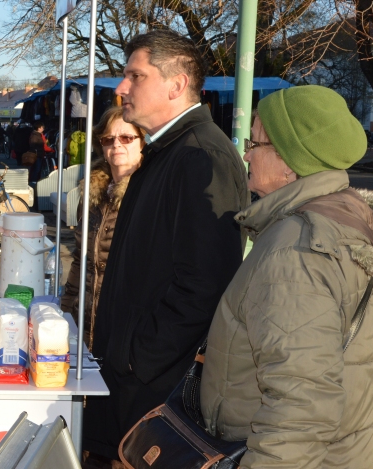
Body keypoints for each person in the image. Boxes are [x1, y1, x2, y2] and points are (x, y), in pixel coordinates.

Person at [200, 85, 373, 468]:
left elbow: (300, 406)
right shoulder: (346, 218)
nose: (245, 153)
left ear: (289, 162)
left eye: (253, 143)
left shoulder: (297, 250)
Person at [82, 30, 249, 467]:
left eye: (136, 76)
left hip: (154, 396)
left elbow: (205, 283)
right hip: (132, 385)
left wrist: (135, 356)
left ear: (176, 84)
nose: (121, 88)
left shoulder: (200, 156)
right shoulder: (168, 151)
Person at [61, 107, 144, 351]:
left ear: (142, 142)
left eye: (127, 138)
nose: (116, 144)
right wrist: (65, 309)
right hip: (85, 321)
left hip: (125, 329)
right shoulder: (91, 195)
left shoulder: (146, 194)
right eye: (108, 139)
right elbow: (80, 258)